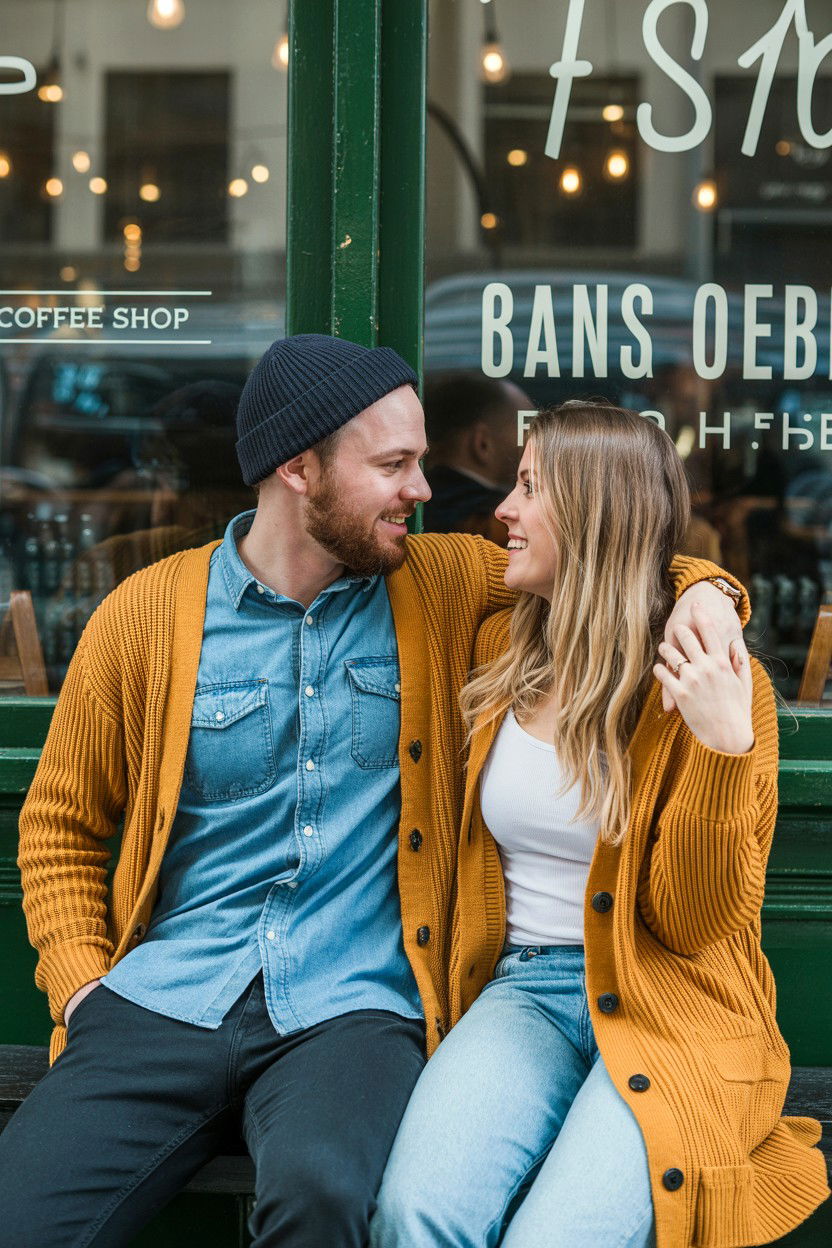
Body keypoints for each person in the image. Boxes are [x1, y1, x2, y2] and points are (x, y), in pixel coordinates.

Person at [4, 342, 745, 1248]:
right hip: (166, 999)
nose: (425, 489)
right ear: (298, 468)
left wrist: (712, 593)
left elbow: (612, 554)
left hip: (349, 1011)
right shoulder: (148, 616)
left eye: (420, 460)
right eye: (393, 465)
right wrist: (81, 986)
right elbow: (59, 826)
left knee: (332, 1200)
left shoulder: (437, 587)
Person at [371, 402, 829, 1248]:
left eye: (530, 488)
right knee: (414, 1214)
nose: (502, 509)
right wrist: (713, 587)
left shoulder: (711, 682)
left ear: (594, 516)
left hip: (671, 998)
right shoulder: (498, 639)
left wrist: (722, 751)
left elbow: (695, 925)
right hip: (524, 990)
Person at [422, 371, 530, 542]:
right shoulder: (498, 522)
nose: (532, 441)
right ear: (482, 443)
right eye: (525, 430)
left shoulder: (420, 504)